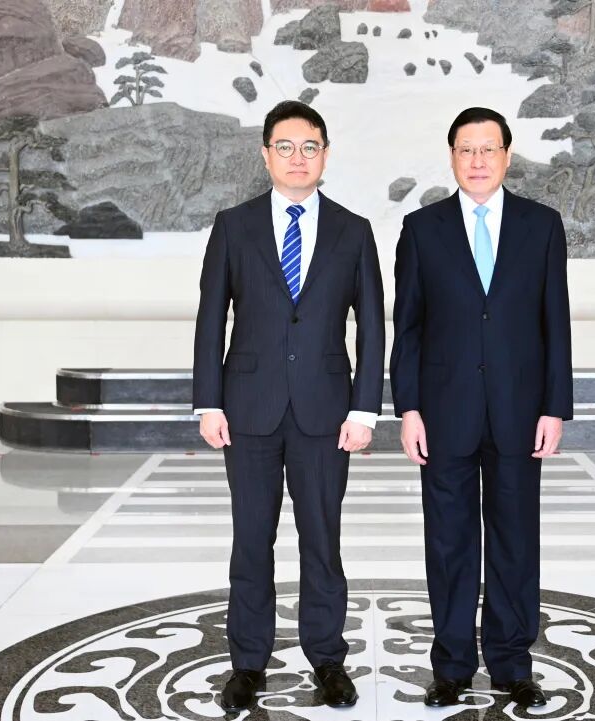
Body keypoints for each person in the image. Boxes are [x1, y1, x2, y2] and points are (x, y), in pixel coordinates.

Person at [192, 100, 385, 712]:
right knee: (251, 539)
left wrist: (365, 409)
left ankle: (327, 659)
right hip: (248, 408)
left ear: (325, 155)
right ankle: (248, 663)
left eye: (309, 147)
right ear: (266, 154)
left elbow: (373, 325)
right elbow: (211, 317)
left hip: (326, 413)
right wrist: (208, 401)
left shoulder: (354, 230)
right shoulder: (234, 225)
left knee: (321, 540)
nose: (297, 158)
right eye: (285, 146)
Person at [389, 107, 573, 709]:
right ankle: (451, 667)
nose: (477, 160)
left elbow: (555, 322)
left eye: (488, 149)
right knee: (449, 542)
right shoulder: (422, 229)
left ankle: (513, 663)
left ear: (507, 156)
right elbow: (408, 327)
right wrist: (409, 409)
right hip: (444, 413)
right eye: (466, 150)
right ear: (451, 157)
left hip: (521, 411)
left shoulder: (542, 226)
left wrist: (554, 408)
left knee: (516, 540)